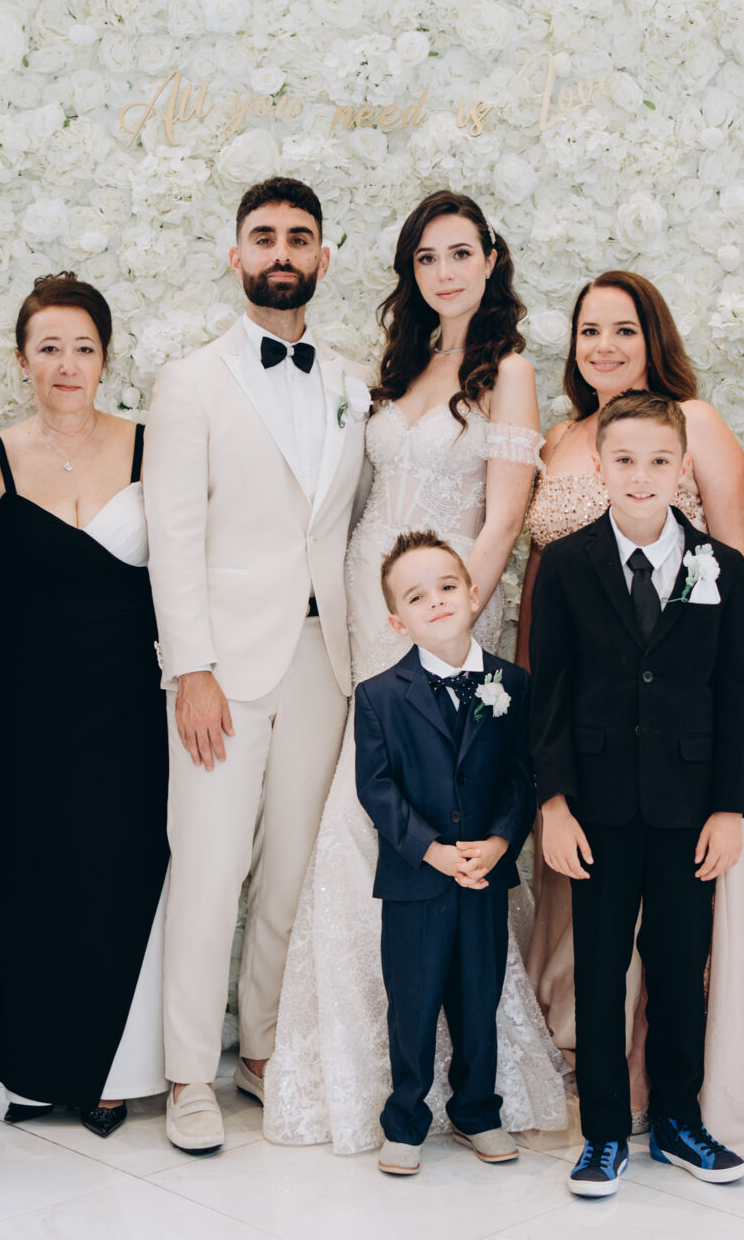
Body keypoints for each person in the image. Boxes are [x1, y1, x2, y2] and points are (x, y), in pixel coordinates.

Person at [262, 190, 563, 1153]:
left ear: (490, 260)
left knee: (447, 793)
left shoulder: (507, 371)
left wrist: (451, 618)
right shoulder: (403, 364)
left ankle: (466, 1081)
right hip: (368, 603)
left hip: (446, 606)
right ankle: (354, 1055)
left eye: (459, 253)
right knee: (369, 796)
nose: (443, 272)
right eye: (426, 258)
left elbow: (505, 514)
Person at [517, 271, 744, 1154]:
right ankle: (602, 1130)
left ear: (682, 468)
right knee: (598, 970)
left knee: (680, 967)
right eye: (625, 463)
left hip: (687, 799)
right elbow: (549, 684)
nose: (641, 476)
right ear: (599, 469)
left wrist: (728, 805)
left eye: (658, 463)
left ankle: (677, 1119)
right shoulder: (566, 564)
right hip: (595, 797)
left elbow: (731, 679)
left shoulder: (718, 565)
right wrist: (553, 800)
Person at [143, 177, 368, 1156]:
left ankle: (262, 1048)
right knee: (208, 867)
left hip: (326, 659)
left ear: (323, 257)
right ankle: (188, 1073)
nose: (283, 251)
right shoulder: (189, 381)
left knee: (291, 872)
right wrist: (189, 667)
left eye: (299, 237)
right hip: (222, 667)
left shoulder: (352, 382)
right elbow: (172, 532)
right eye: (265, 236)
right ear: (235, 255)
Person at [0, 273, 167, 1138]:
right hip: (22, 710)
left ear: (105, 359)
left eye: (82, 347)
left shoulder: (150, 447)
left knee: (120, 874)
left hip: (130, 704)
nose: (66, 364)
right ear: (21, 360)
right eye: (48, 347)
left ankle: (111, 1072)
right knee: (35, 879)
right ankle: (37, 1066)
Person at [357, 532, 537, 1177]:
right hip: (416, 882)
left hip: (483, 877)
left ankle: (476, 1111)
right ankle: (405, 1120)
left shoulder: (511, 683)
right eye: (416, 596)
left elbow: (522, 777)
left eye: (447, 586)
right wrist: (429, 850)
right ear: (396, 620)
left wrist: (500, 841)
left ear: (474, 593)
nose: (435, 601)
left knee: (477, 998)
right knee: (412, 1002)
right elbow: (376, 788)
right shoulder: (379, 695)